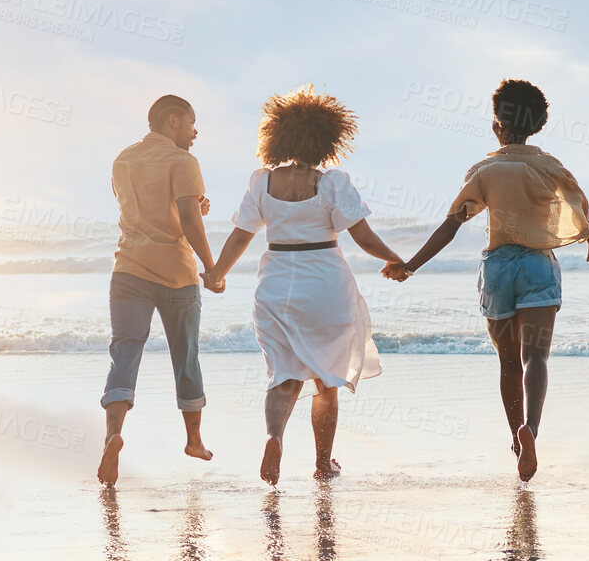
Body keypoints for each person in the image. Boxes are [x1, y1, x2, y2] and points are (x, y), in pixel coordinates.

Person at [388, 79, 589, 481]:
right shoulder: (550, 165)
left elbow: (450, 226)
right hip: (538, 266)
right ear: (538, 125)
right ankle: (532, 430)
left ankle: (514, 438)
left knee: (508, 363)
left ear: (496, 126)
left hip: (497, 269)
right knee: (535, 358)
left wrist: (411, 265)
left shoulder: (485, 170)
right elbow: (579, 206)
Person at [208, 86, 408, 485]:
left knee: (283, 376)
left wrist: (217, 273)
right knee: (325, 381)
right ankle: (322, 462)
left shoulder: (261, 182)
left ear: (277, 136)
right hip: (325, 285)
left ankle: (273, 437)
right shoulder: (332, 183)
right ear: (328, 139)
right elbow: (364, 238)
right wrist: (394, 260)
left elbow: (239, 237)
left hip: (276, 286)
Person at [99, 94, 218, 484]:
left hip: (129, 270)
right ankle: (194, 441)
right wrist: (211, 266)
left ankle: (113, 435)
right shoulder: (183, 161)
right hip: (175, 275)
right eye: (191, 122)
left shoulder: (123, 159)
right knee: (185, 356)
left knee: (124, 352)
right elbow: (185, 218)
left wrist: (189, 206)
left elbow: (142, 210)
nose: (195, 131)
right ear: (171, 122)